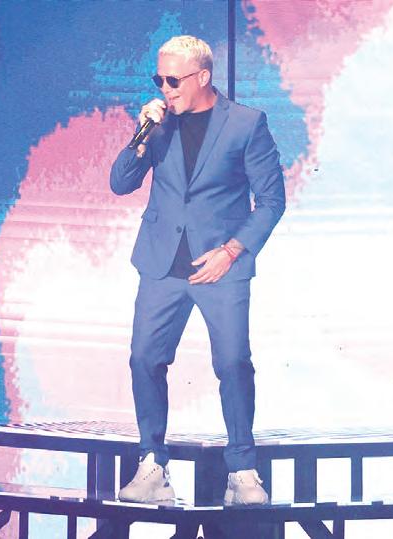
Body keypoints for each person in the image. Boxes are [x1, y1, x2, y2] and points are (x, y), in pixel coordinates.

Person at [110, 35, 285, 505]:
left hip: (220, 266)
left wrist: (232, 250)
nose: (165, 89)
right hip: (162, 264)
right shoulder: (158, 126)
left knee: (233, 362)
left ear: (202, 76)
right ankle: (152, 465)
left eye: (173, 80)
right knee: (144, 359)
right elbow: (120, 183)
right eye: (159, 80)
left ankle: (242, 471)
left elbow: (272, 201)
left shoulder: (246, 124)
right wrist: (141, 134)